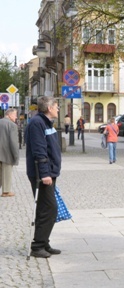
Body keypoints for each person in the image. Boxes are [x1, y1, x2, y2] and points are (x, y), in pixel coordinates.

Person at [25, 96, 62, 258]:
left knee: (46, 208)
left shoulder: (46, 122)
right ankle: (37, 246)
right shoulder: (37, 123)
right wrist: (44, 173)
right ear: (49, 108)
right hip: (42, 174)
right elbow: (39, 151)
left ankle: (44, 242)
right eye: (56, 106)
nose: (58, 109)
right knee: (48, 209)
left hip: (50, 172)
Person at [0, 108, 20, 197]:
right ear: (10, 115)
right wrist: (16, 156)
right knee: (7, 172)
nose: (16, 117)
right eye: (15, 115)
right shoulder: (12, 125)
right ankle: (6, 191)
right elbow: (13, 142)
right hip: (6, 153)